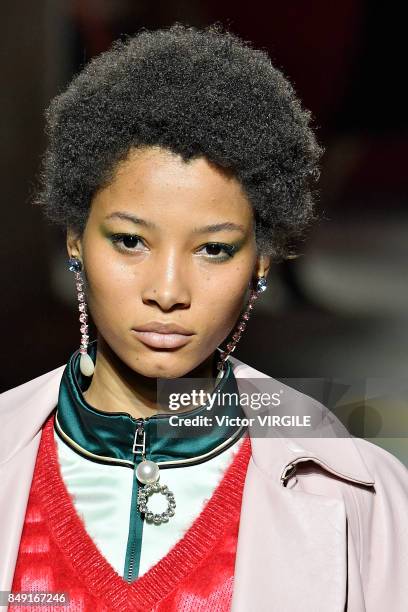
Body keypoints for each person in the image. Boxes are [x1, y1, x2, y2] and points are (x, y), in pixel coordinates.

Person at [0, 23, 407, 612]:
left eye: (214, 248)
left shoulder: (356, 492)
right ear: (74, 239)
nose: (167, 291)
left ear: (261, 261)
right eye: (130, 241)